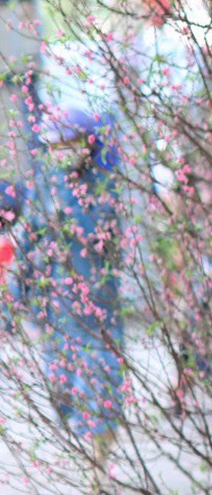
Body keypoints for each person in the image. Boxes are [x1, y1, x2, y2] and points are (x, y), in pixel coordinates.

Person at [1, 102, 124, 453]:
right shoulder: (47, 183)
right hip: (58, 309)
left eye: (67, 143)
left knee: (100, 385)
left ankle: (100, 459)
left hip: (98, 307)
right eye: (55, 146)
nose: (61, 152)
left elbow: (108, 237)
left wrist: (70, 222)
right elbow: (27, 247)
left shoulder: (105, 185)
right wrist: (12, 303)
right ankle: (84, 442)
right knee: (62, 390)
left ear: (87, 142)